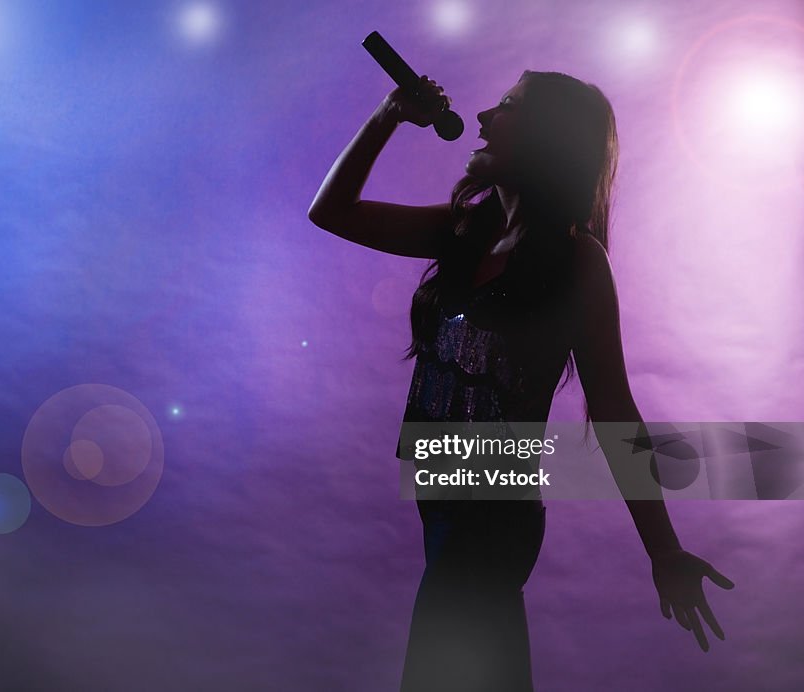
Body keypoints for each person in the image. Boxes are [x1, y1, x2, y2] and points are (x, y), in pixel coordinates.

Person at [308, 70, 735, 691]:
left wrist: (664, 552)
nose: (482, 117)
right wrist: (387, 115)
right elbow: (332, 211)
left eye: (506, 107)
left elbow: (615, 411)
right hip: (442, 504)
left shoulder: (577, 261)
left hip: (493, 516)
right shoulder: (465, 229)